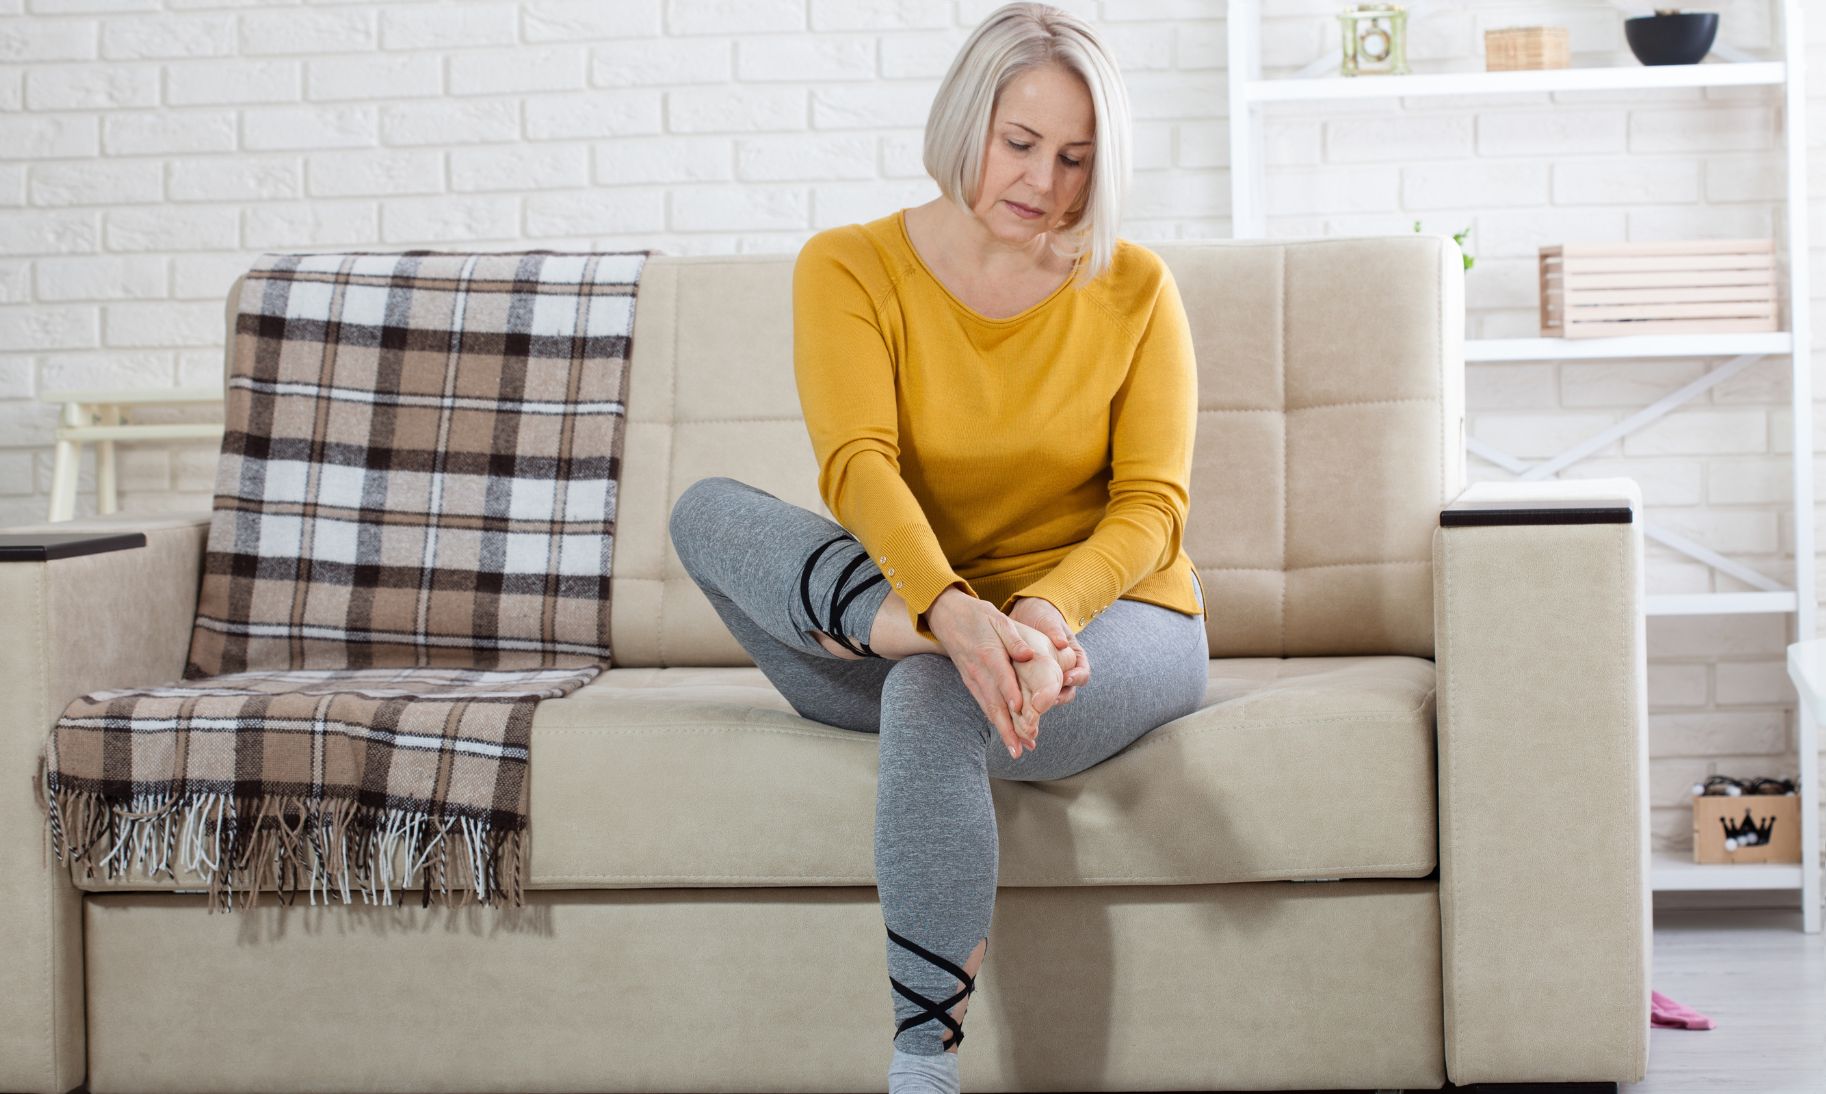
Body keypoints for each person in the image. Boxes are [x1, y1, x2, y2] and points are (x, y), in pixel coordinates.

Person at [666, 4, 1206, 1090]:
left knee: (931, 694)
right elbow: (855, 464)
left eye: (1074, 158)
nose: (1046, 184)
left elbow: (1151, 507)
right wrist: (950, 615)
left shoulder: (1134, 287)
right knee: (705, 510)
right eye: (1019, 143)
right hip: (913, 611)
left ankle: (921, 1070)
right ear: (966, 120)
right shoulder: (848, 266)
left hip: (1110, 624)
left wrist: (1042, 619)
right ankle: (914, 632)